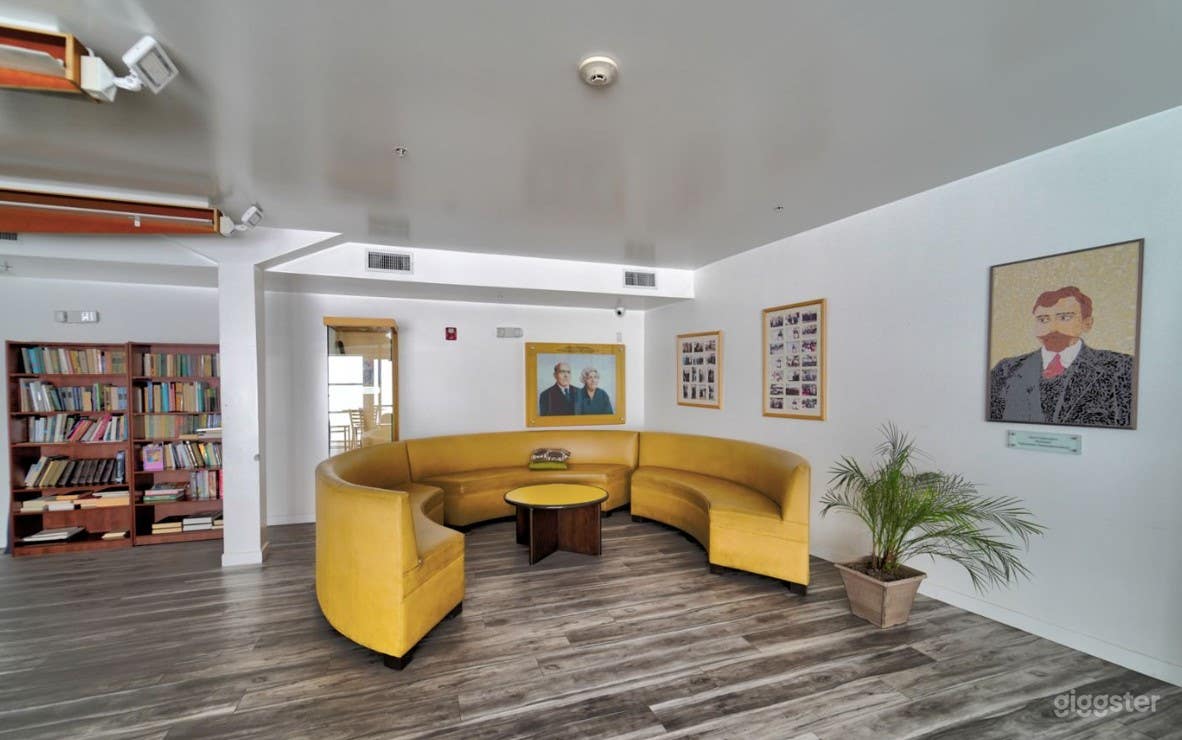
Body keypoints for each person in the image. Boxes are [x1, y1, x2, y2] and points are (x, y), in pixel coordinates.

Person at [988, 286, 1134, 427]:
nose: (1052, 328)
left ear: (1087, 323)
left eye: (1064, 318)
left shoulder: (1121, 367)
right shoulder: (1007, 369)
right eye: (1043, 320)